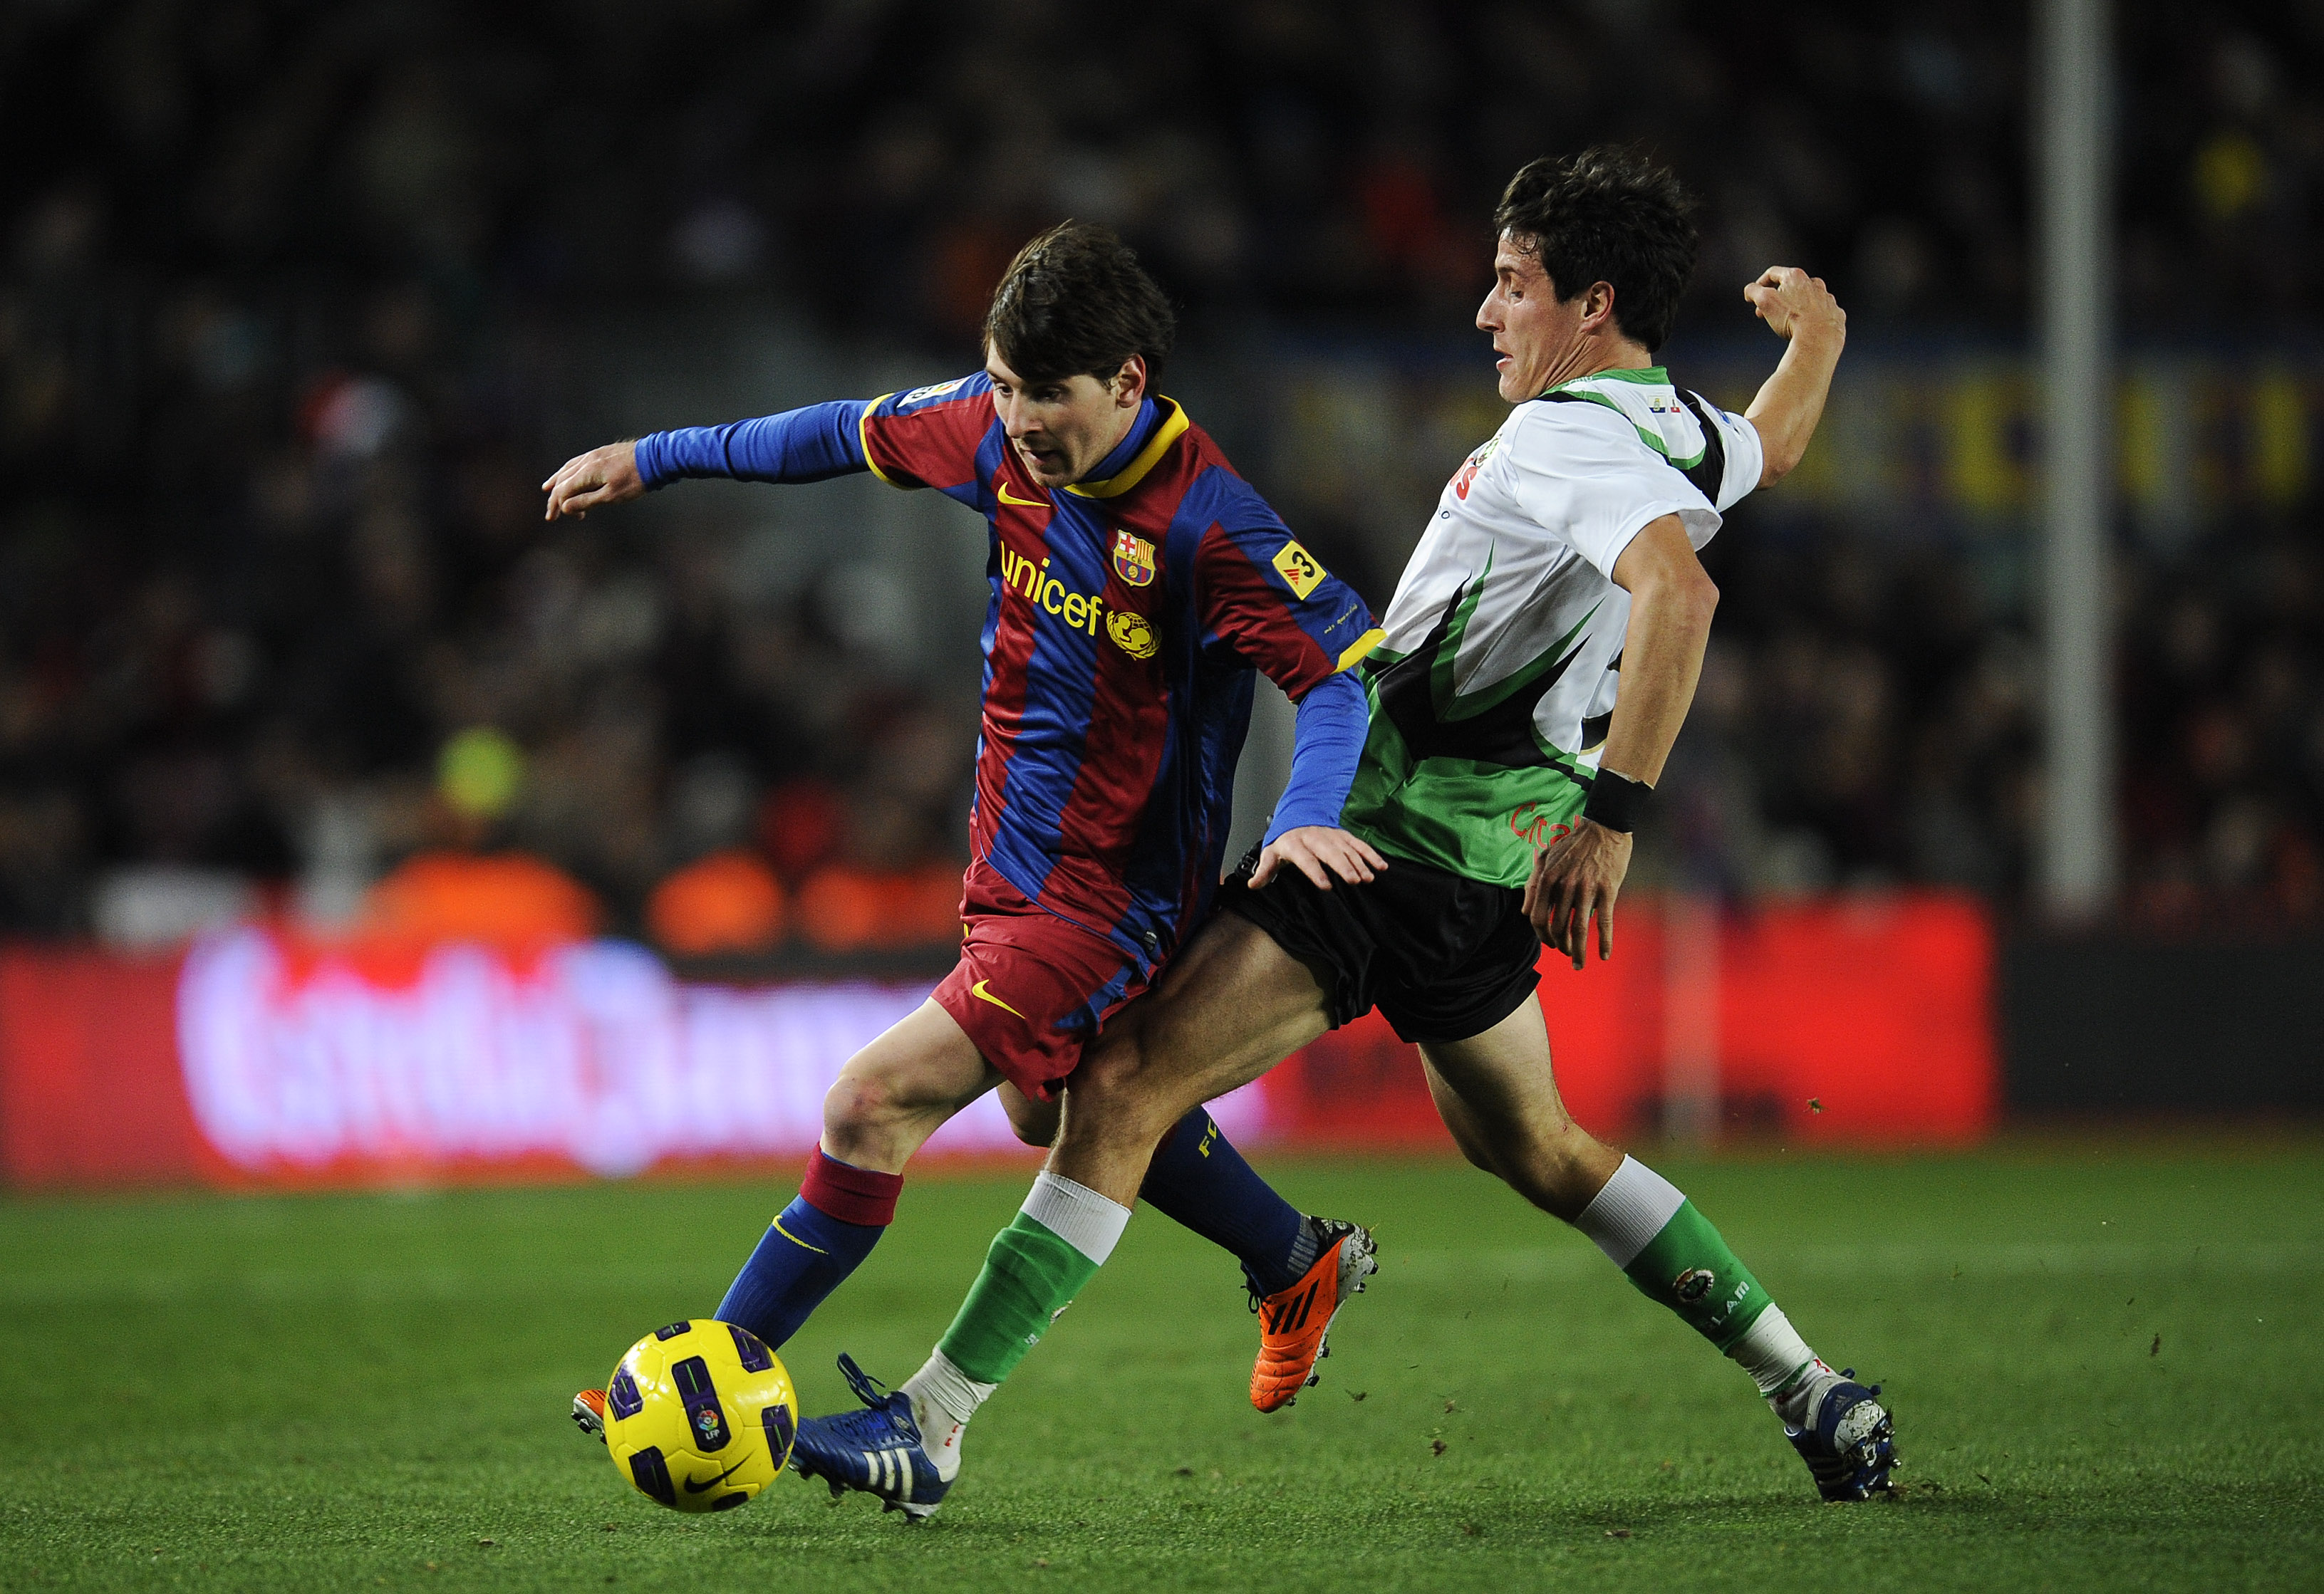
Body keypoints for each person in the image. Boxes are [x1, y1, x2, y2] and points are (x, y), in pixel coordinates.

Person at [792, 148, 1894, 1516]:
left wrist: (1614, 820)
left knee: (1119, 1082)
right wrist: (1821, 338)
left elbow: (1678, 594)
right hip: (1482, 869)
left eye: (1512, 286)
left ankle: (935, 1422)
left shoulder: (1564, 438)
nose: (1487, 313)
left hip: (1394, 836)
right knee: (1539, 1149)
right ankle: (1812, 1387)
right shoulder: (1675, 427)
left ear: (1590, 306)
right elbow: (1771, 445)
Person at [542, 222, 1391, 1462]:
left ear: (1128, 385)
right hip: (1004, 867)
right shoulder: (991, 435)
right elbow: (836, 432)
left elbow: (1343, 668)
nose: (1017, 417)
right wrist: (653, 457)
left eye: (1044, 393)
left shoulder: (1210, 523)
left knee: (867, 1103)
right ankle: (1291, 1256)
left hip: (1108, 901)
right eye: (1001, 383)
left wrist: (1310, 810)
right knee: (1057, 1115)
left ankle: (705, 1382)